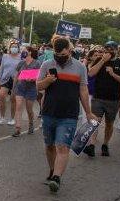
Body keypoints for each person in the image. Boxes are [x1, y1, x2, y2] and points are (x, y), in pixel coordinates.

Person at [37, 36, 97, 193]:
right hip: (49, 112)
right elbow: (38, 86)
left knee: (62, 146)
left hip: (69, 114)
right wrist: (48, 81)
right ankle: (52, 170)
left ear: (70, 52)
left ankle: (56, 177)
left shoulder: (79, 67)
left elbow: (83, 90)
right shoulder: (47, 64)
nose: (60, 57)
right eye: (57, 54)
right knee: (50, 145)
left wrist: (89, 112)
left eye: (63, 55)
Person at [85, 42, 120, 158]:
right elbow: (90, 74)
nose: (108, 51)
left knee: (109, 124)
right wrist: (102, 61)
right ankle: (92, 145)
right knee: (95, 122)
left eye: (111, 49)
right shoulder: (100, 60)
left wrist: (113, 74)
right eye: (106, 49)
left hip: (113, 100)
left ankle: (105, 144)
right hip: (98, 98)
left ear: (116, 50)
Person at [11, 45, 40, 137]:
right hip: (20, 87)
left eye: (25, 50)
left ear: (30, 52)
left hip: (31, 88)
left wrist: (32, 79)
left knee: (29, 109)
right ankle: (18, 128)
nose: (23, 51)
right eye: (22, 50)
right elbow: (16, 76)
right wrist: (13, 88)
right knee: (18, 107)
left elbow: (38, 76)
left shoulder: (37, 63)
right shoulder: (21, 63)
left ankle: (31, 124)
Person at [0, 40, 22, 125]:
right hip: (5, 79)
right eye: (12, 46)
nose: (14, 48)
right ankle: (2, 117)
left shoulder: (21, 57)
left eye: (15, 46)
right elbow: (1, 68)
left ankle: (12, 118)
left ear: (18, 48)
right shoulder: (5, 56)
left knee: (13, 99)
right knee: (1, 96)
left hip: (16, 80)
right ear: (9, 48)